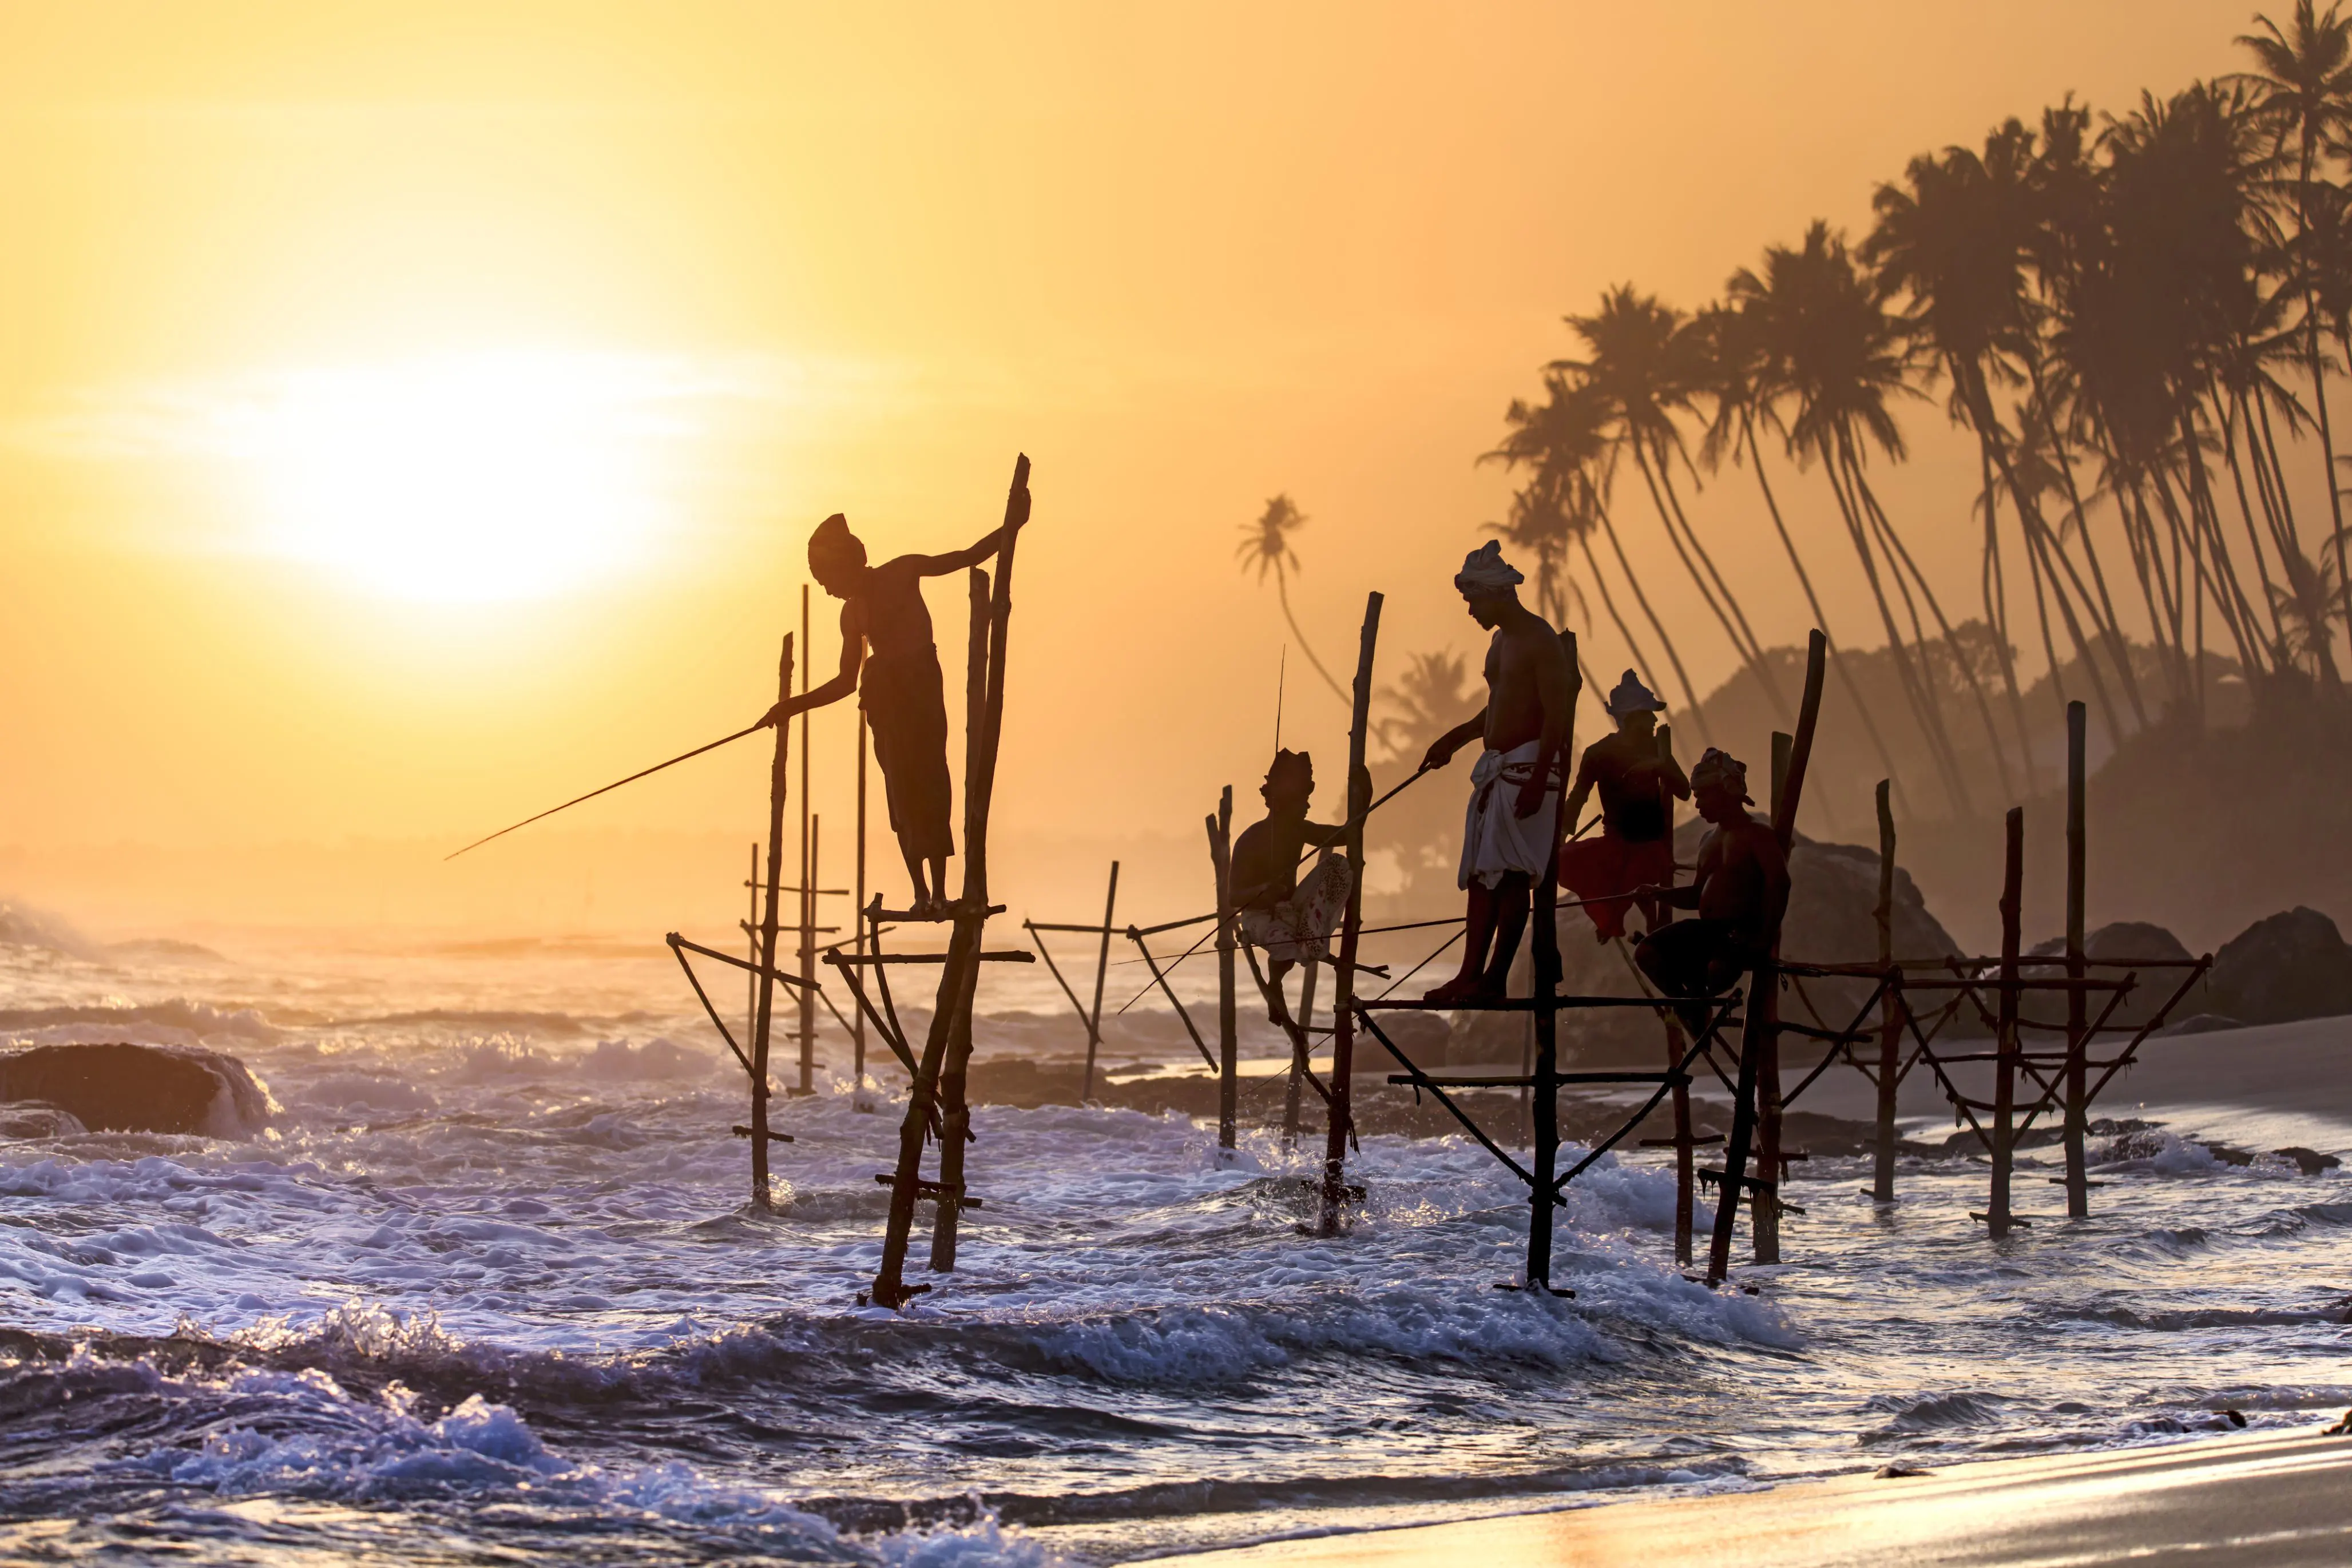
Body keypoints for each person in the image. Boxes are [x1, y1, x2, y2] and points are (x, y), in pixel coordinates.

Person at [757, 501, 1028, 915]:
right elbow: (845, 683)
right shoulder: (852, 615)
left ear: (849, 565)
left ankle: (940, 892)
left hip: (920, 689)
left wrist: (1012, 527)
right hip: (885, 700)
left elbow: (968, 556)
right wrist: (790, 706)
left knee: (932, 783)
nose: (828, 590)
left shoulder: (903, 571)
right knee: (901, 794)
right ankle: (921, 894)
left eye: (828, 579)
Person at [1417, 542, 1576, 1005]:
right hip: (1499, 769)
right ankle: (1470, 975)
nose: (1469, 611)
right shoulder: (1500, 641)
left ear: (1497, 594)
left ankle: (1494, 978)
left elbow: (1556, 716)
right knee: (1483, 875)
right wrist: (1455, 738)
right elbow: (1499, 705)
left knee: (1509, 878)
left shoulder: (1540, 640)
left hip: (1530, 768)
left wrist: (1537, 776)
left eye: (1473, 601)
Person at [1633, 748, 1790, 1010]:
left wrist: (1763, 938)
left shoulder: (1757, 835)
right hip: (1709, 932)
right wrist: (1658, 892)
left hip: (1742, 933)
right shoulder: (1708, 841)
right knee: (1647, 953)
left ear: (1727, 791)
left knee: (1716, 970)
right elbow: (1697, 895)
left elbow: (1780, 884)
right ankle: (1690, 1006)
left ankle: (1697, 1000)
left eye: (1703, 796)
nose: (1697, 804)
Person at [1558, 670, 1690, 943]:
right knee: (1562, 861)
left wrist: (1659, 766)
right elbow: (1578, 797)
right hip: (1616, 842)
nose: (1655, 720)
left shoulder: (1657, 749)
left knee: (1646, 885)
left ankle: (1651, 932)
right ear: (1631, 719)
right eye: (1648, 715)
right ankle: (1611, 921)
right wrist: (1560, 835)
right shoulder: (1598, 754)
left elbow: (1685, 791)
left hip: (1652, 845)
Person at [1229, 749, 1353, 1017]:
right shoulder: (1251, 839)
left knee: (1337, 867)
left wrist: (1362, 808)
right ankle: (1276, 984)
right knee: (1286, 945)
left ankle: (1312, 938)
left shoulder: (1300, 830)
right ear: (1282, 802)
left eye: (1306, 800)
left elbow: (1342, 836)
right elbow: (1234, 897)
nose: (1307, 806)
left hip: (1291, 908)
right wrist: (1262, 891)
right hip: (1258, 917)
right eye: (1301, 801)